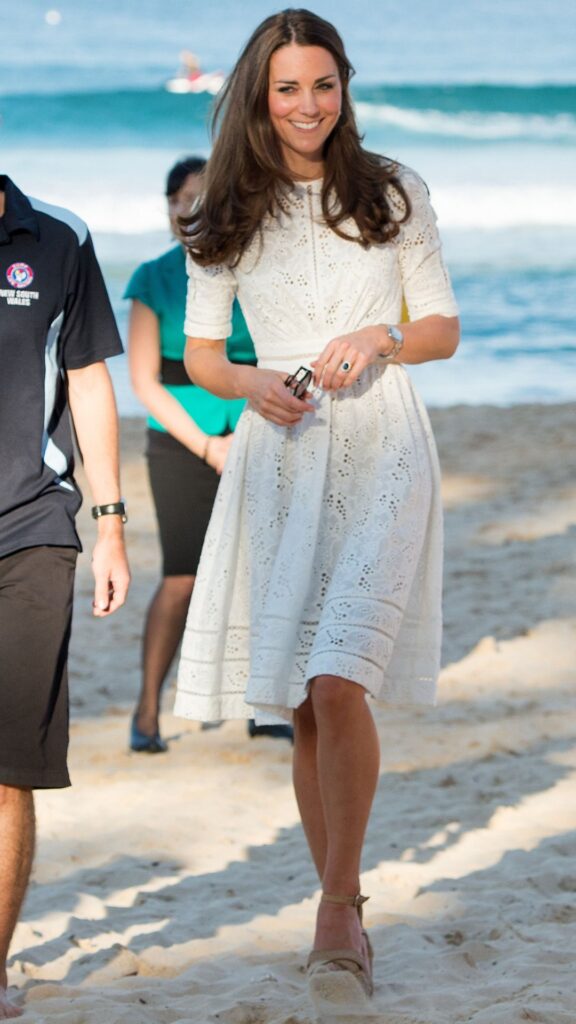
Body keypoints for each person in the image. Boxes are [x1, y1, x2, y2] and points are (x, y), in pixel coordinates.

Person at [173, 8, 459, 1015]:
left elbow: (443, 329)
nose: (307, 105)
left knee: (340, 679)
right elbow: (203, 354)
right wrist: (251, 383)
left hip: (383, 442)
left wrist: (380, 334)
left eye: (324, 84)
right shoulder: (225, 205)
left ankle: (338, 912)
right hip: (282, 446)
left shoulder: (392, 192)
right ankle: (341, 900)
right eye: (288, 87)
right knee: (301, 696)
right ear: (259, 94)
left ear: (345, 87)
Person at [0, 174, 130, 1018]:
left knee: (8, 767)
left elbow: (85, 380)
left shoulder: (58, 236)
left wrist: (112, 521)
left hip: (29, 527)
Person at [125, 157, 292, 753]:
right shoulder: (152, 278)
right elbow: (144, 382)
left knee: (263, 570)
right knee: (181, 577)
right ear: (168, 207)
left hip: (260, 430)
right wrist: (205, 444)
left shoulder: (257, 270)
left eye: (205, 199)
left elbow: (276, 357)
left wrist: (243, 433)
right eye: (183, 199)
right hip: (178, 440)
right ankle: (146, 712)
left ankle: (264, 706)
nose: (192, 211)